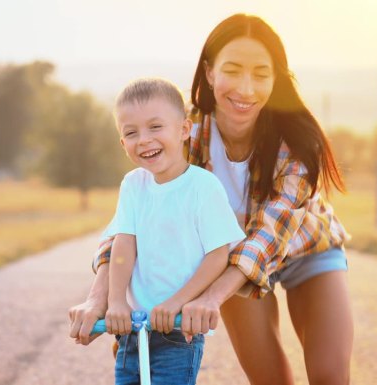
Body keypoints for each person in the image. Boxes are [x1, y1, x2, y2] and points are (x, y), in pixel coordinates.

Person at [69, 14, 353, 385]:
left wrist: (210, 297)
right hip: (230, 258)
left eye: (261, 74)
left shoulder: (298, 145)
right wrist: (100, 298)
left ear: (276, 79)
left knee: (331, 376)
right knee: (270, 379)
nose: (246, 89)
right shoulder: (181, 129)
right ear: (209, 73)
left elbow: (269, 238)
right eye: (232, 70)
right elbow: (133, 221)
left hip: (306, 250)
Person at [95, 77, 245, 385]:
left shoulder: (203, 187)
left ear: (184, 130)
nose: (144, 140)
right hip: (132, 331)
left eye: (155, 127)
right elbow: (123, 246)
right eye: (131, 133)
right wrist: (116, 301)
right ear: (123, 144)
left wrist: (178, 301)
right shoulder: (133, 185)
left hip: (178, 332)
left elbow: (218, 256)